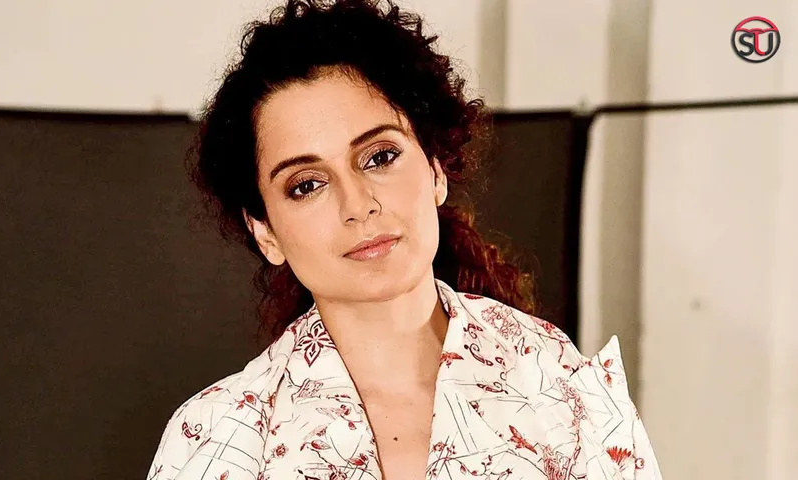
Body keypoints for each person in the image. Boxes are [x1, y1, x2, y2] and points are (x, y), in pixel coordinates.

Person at [146, 0, 662, 479]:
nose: (358, 204)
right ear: (265, 232)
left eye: (379, 157)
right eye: (306, 185)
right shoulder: (215, 438)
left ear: (435, 170)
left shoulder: (563, 389)